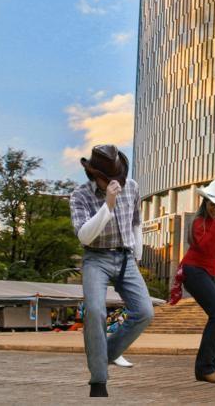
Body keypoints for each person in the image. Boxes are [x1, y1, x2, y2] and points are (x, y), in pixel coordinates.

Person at [70, 144, 154, 398]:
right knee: (95, 311)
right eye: (111, 178)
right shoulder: (80, 195)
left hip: (126, 257)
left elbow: (136, 222)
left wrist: (137, 254)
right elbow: (84, 236)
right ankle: (98, 380)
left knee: (144, 312)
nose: (118, 182)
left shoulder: (133, 187)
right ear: (95, 174)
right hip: (97, 258)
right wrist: (108, 204)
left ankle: (103, 355)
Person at [176, 178, 215, 384]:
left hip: (206, 273)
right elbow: (207, 248)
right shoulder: (199, 222)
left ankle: (211, 367)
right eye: (211, 204)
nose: (214, 208)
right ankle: (205, 369)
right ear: (205, 203)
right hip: (194, 272)